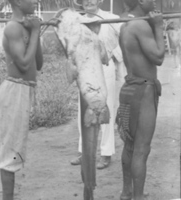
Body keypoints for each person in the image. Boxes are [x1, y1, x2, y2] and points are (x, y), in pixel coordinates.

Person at [115, 0, 165, 200]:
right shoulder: (140, 25)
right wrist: (159, 26)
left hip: (130, 88)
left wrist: (153, 26)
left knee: (130, 146)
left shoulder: (127, 25)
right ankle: (137, 197)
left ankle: (127, 192)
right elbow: (159, 57)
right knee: (141, 149)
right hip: (143, 91)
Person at [0, 0, 43, 199]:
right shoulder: (13, 28)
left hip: (24, 92)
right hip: (14, 92)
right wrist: (36, 32)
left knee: (17, 147)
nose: (35, 1)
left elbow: (38, 63)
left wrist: (34, 33)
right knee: (9, 150)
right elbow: (23, 64)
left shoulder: (27, 28)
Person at [71, 0, 124, 169]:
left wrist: (112, 56)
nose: (89, 2)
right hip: (85, 70)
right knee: (83, 110)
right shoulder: (77, 20)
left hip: (104, 68)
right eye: (85, 0)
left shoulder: (111, 19)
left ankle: (106, 153)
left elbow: (125, 41)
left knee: (106, 108)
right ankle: (83, 151)